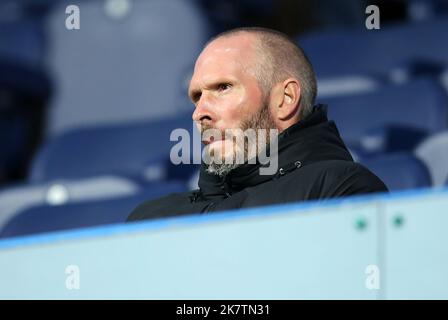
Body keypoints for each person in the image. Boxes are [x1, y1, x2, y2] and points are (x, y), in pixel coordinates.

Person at [127, 27, 388, 222]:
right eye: (197, 97)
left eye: (223, 87)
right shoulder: (150, 218)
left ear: (285, 99)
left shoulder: (341, 190)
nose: (199, 113)